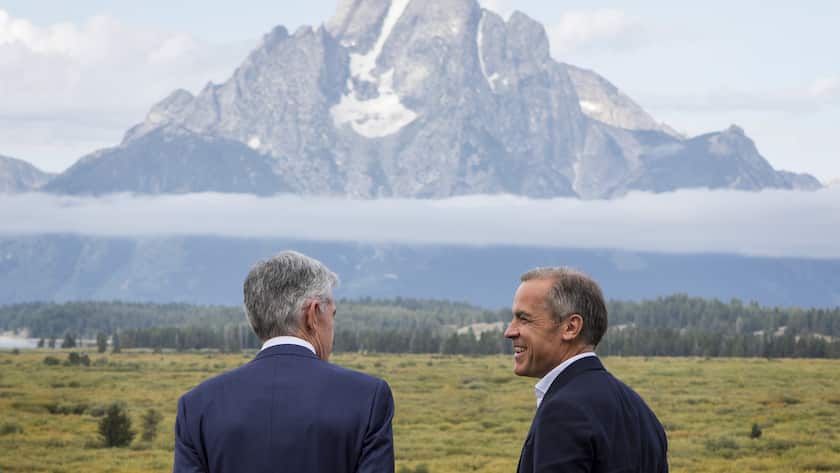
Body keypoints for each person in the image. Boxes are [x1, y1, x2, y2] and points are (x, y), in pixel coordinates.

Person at [173, 251, 395, 473]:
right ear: (313, 314)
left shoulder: (196, 407)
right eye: (332, 315)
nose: (332, 329)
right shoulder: (367, 398)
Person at [505, 267, 668, 473]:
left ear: (571, 327)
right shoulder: (641, 412)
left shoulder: (563, 411)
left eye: (524, 319)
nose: (509, 331)